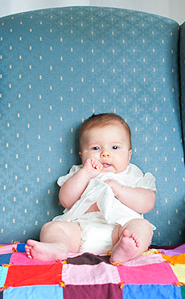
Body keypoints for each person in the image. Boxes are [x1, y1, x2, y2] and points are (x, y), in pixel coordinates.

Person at [26, 112, 156, 264]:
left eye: (115, 147)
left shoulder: (133, 174)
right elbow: (66, 200)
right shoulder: (80, 172)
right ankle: (59, 247)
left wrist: (121, 190)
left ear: (129, 154)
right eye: (95, 148)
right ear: (82, 155)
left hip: (120, 231)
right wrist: (85, 173)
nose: (105, 154)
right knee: (50, 227)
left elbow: (148, 202)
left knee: (142, 226)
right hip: (80, 231)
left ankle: (124, 251)